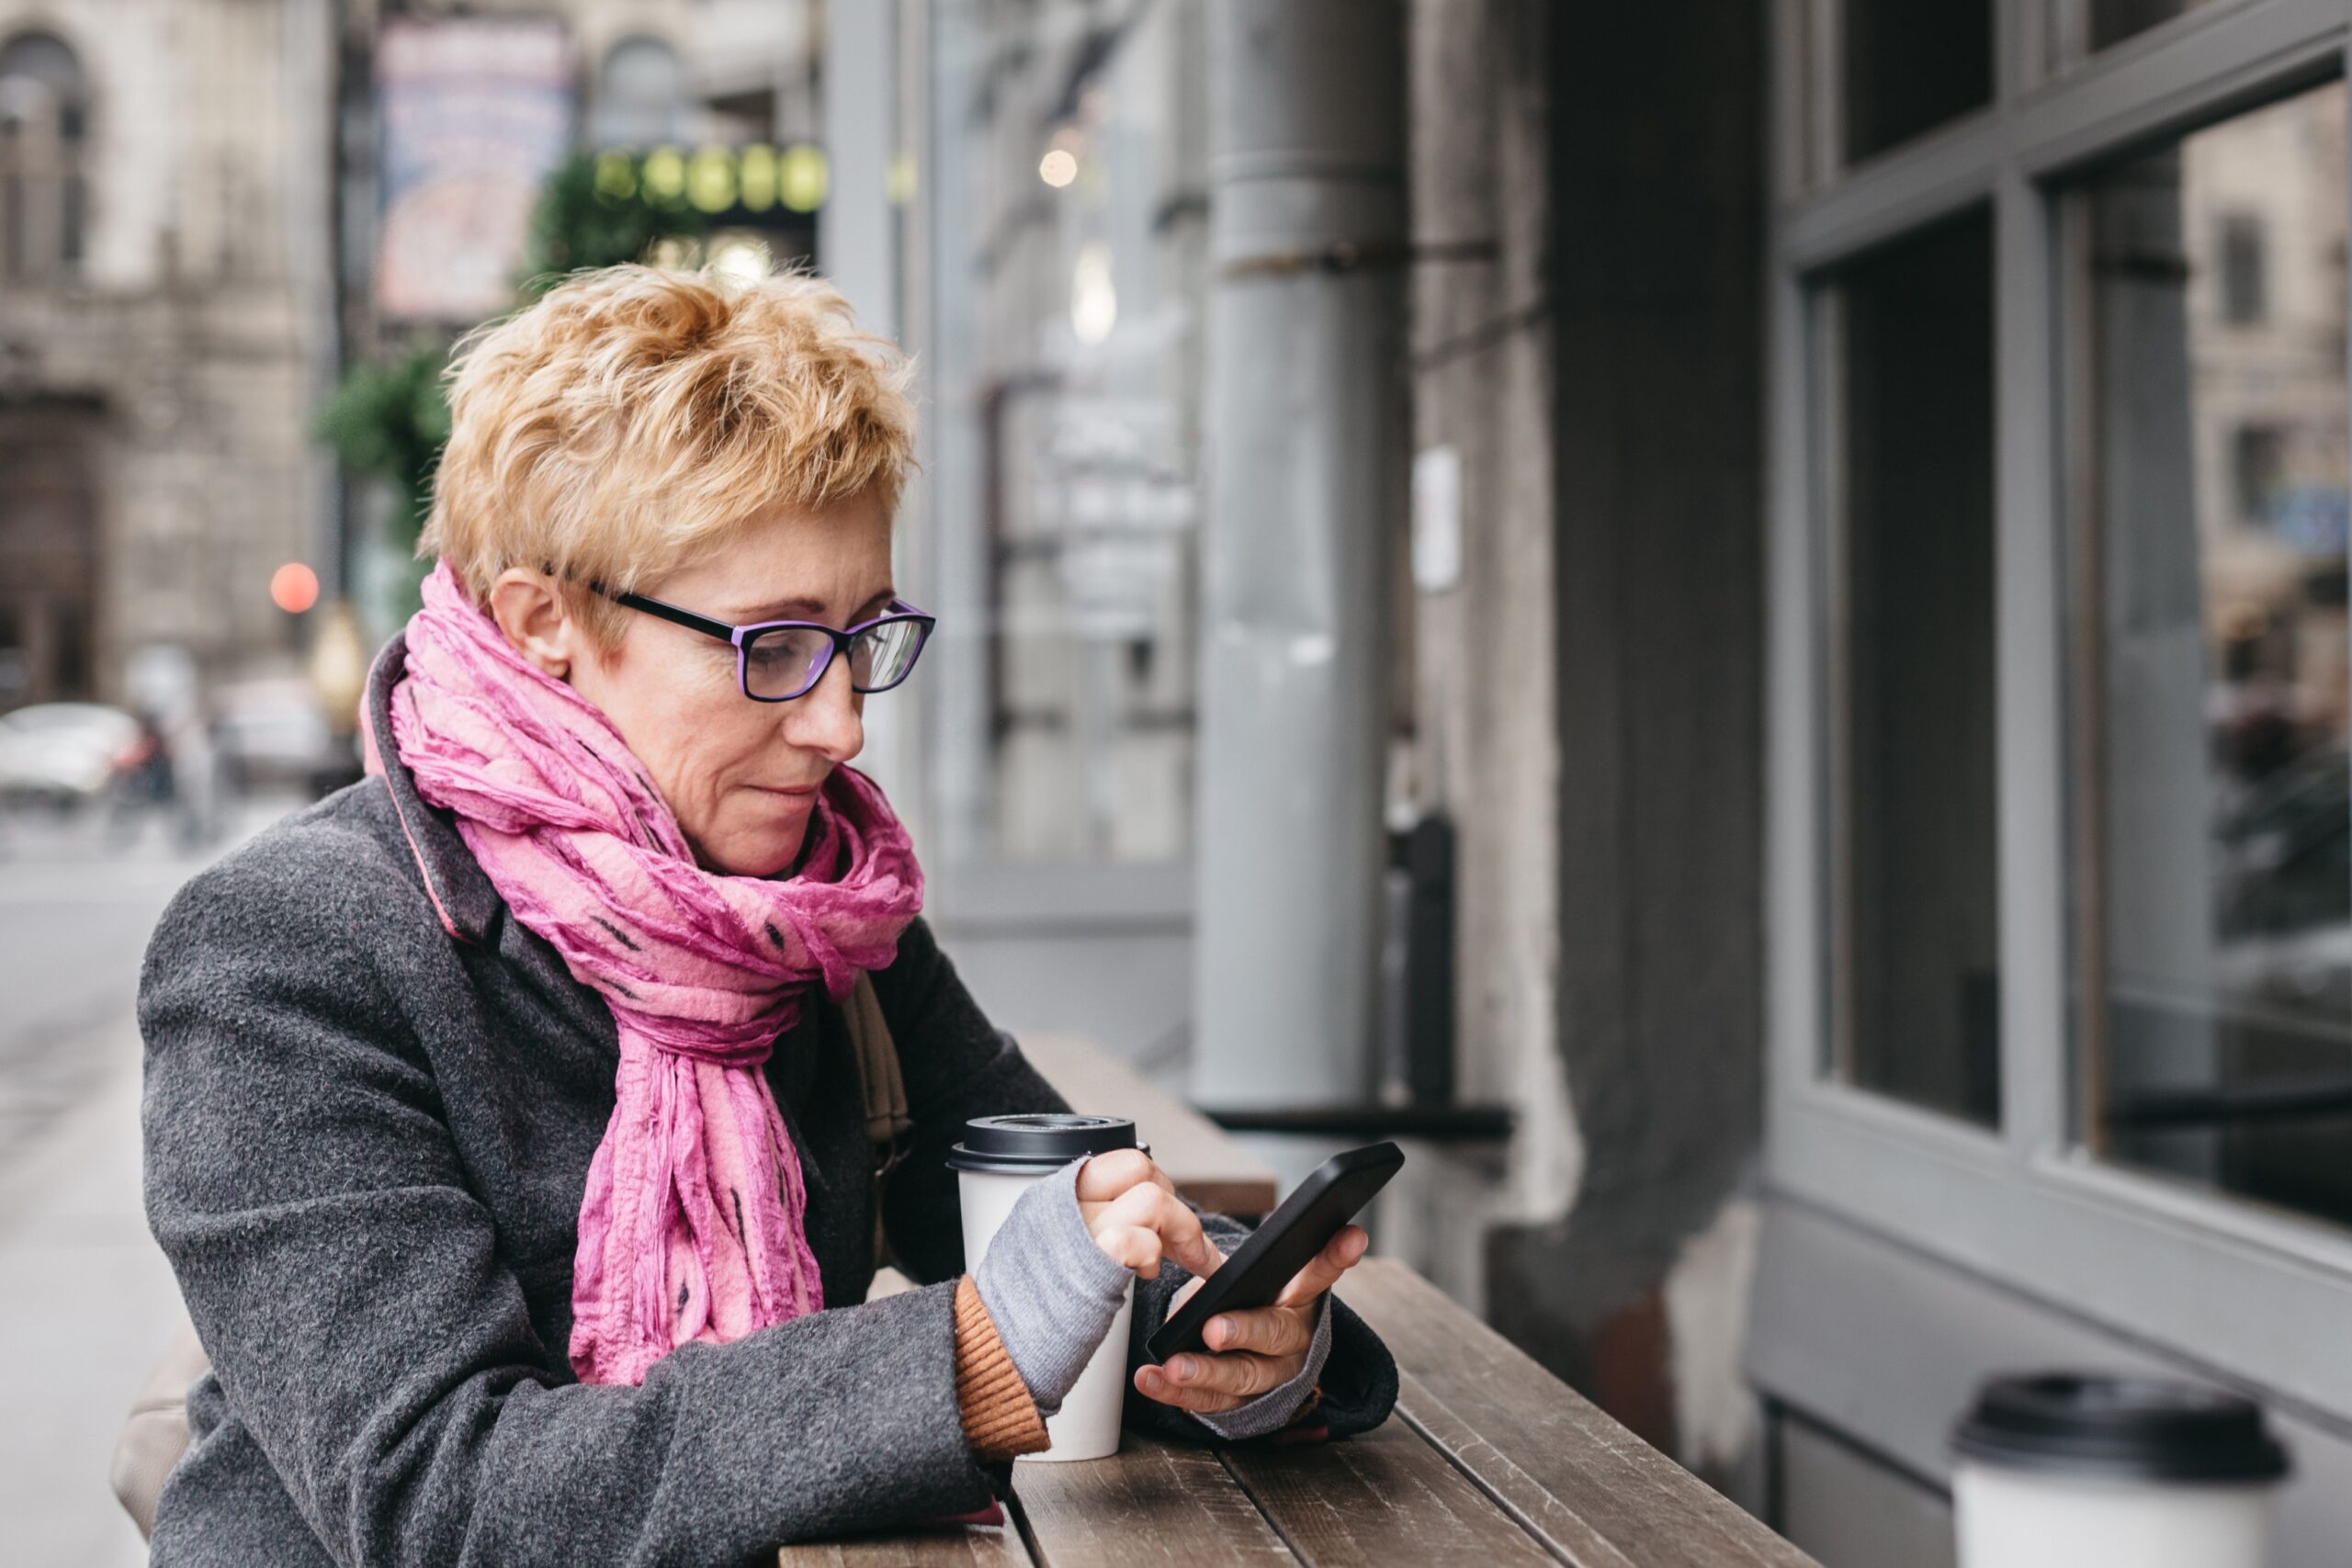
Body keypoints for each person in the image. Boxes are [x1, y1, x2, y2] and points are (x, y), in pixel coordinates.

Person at [138, 265, 1396, 1565]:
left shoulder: (821, 913)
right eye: (774, 646)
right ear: (545, 619)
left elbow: (1048, 1223)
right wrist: (966, 1356)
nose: (840, 723)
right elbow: (440, 1502)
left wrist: (1243, 1334)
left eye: (862, 636)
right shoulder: (283, 955)